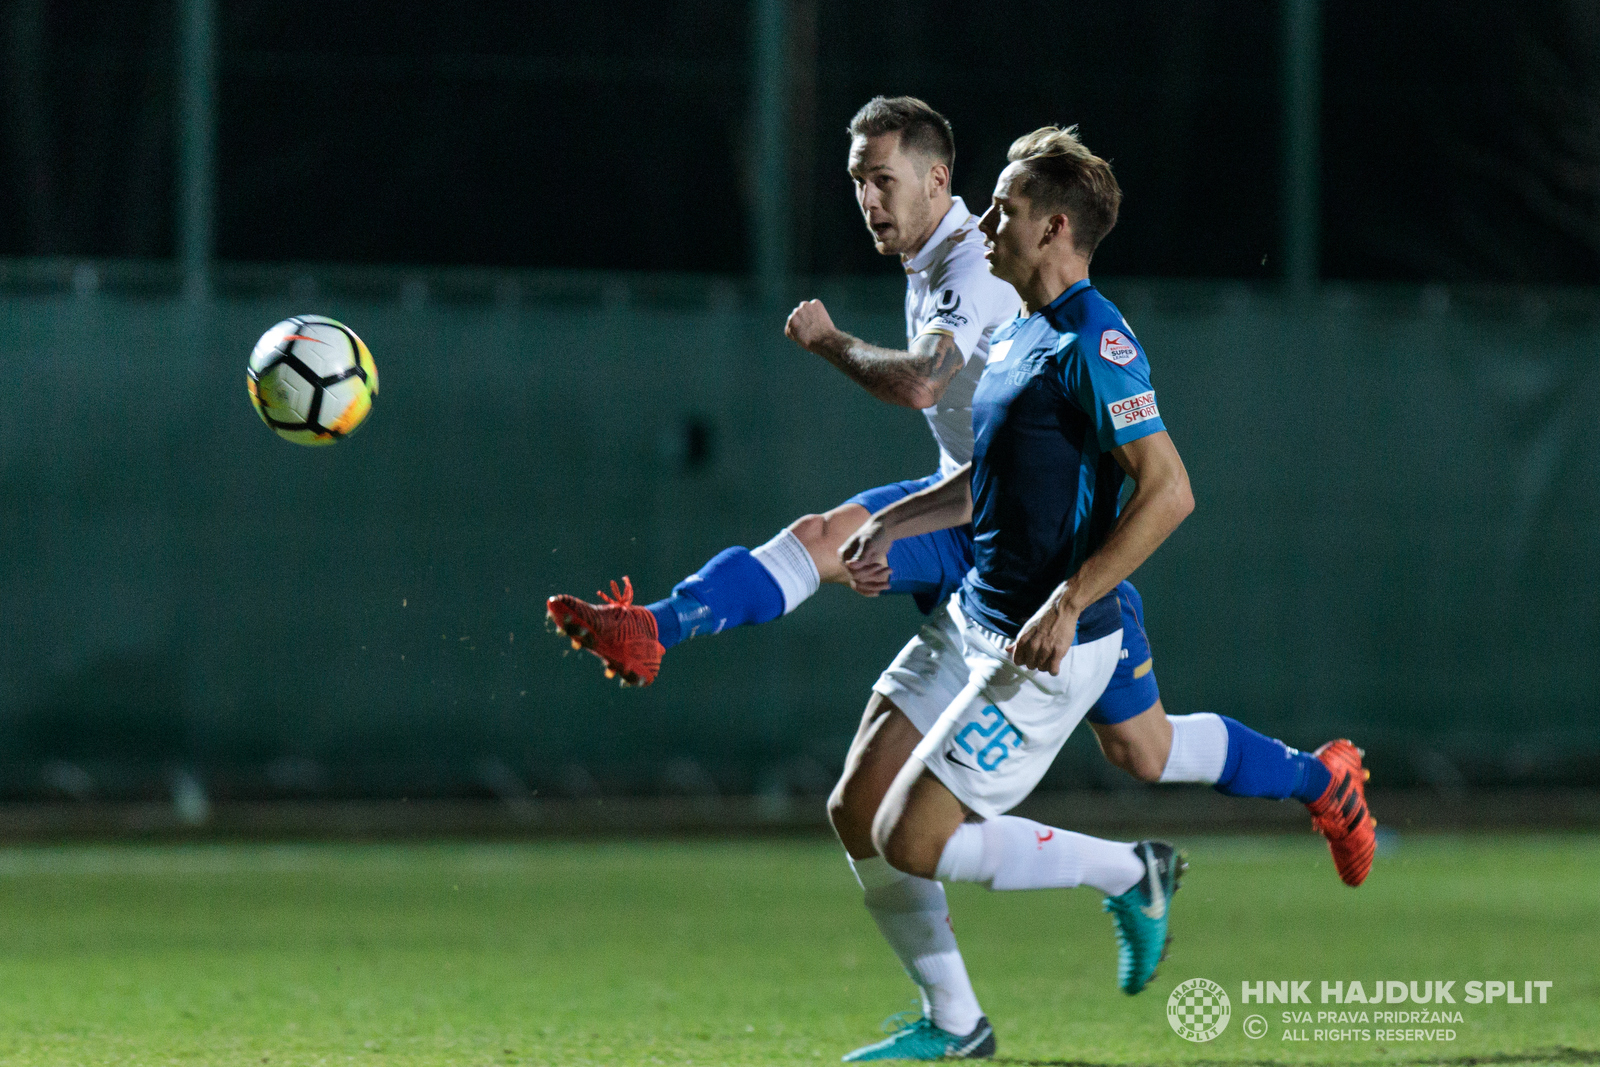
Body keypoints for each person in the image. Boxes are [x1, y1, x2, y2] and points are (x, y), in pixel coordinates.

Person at [822, 126, 1373, 1061]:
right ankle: (1323, 779)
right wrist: (900, 517)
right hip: (984, 615)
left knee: (908, 838)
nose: (988, 220)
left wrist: (1070, 600)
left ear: (1056, 228)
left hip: (1049, 641)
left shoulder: (1093, 339)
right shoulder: (1023, 333)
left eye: (1006, 206)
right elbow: (992, 474)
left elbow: (1170, 489)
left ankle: (1122, 881)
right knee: (1133, 751)